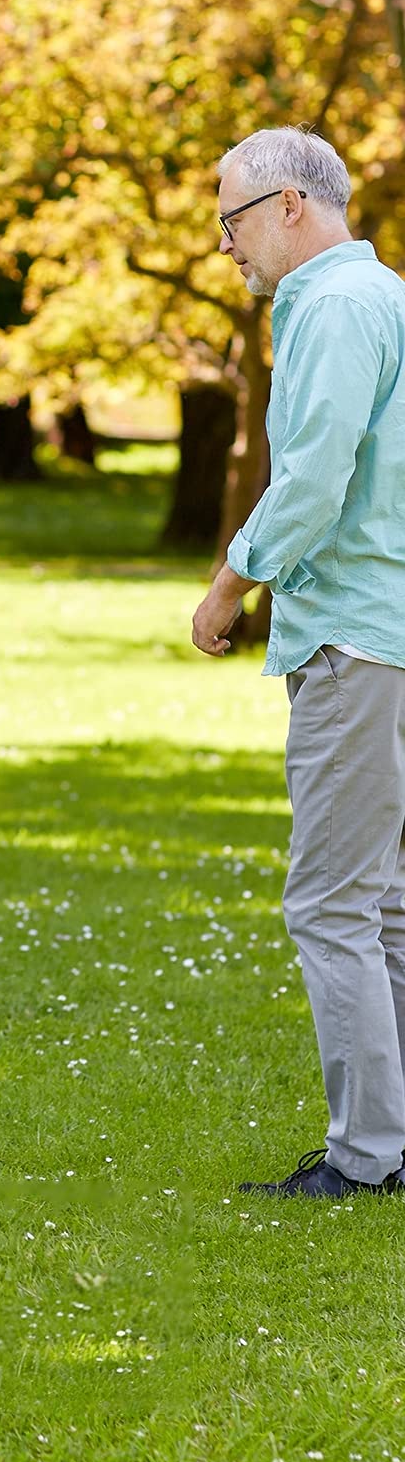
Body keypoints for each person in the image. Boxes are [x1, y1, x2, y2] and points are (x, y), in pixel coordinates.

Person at [193, 125, 405, 1199]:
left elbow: (315, 477)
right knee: (388, 904)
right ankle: (393, 1143)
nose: (223, 243)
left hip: (355, 636)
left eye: (230, 218)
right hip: (395, 631)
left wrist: (234, 576)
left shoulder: (327, 305)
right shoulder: (389, 296)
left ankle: (366, 1156)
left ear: (288, 205)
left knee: (330, 903)